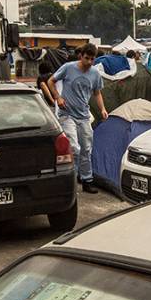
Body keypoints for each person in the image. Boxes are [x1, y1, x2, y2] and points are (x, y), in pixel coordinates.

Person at [47, 43, 108, 193]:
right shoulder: (69, 67)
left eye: (92, 59)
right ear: (81, 56)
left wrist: (102, 109)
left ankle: (86, 180)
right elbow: (50, 81)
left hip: (84, 116)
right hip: (67, 114)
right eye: (87, 58)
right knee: (74, 147)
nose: (89, 62)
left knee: (87, 149)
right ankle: (70, 181)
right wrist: (58, 98)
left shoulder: (95, 73)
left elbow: (97, 93)